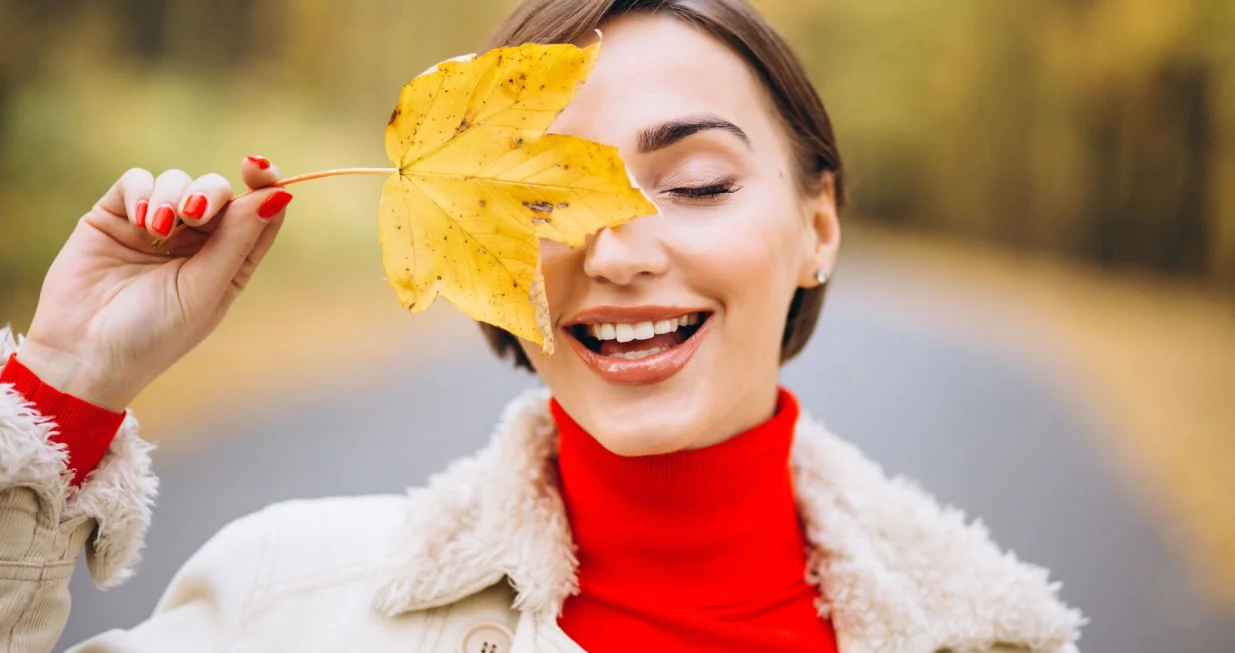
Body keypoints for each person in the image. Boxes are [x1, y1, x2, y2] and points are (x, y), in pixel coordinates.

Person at [0, 0, 1084, 651]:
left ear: (816, 225)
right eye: (542, 201)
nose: (613, 251)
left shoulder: (986, 633)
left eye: (696, 182)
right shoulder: (287, 600)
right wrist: (64, 382)